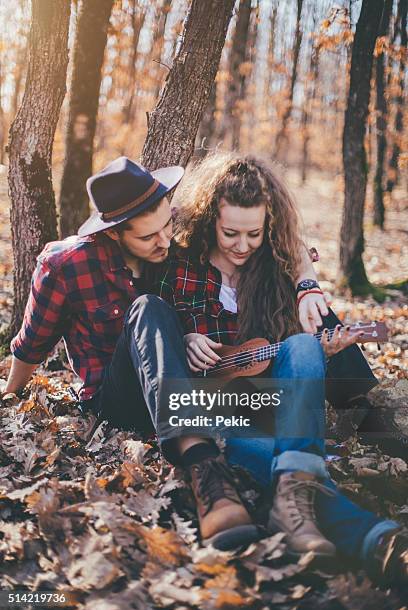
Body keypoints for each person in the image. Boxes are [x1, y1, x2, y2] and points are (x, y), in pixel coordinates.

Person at [153, 152, 408, 584]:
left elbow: (294, 261)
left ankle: (297, 492)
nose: (241, 245)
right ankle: (377, 538)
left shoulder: (275, 266)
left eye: (254, 234)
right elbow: (155, 331)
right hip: (218, 411)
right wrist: (185, 336)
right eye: (230, 232)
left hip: (266, 400)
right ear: (209, 218)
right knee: (268, 456)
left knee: (305, 348)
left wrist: (308, 289)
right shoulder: (181, 264)